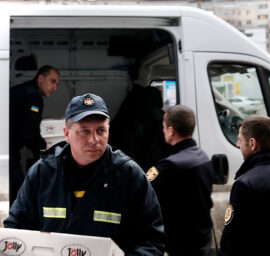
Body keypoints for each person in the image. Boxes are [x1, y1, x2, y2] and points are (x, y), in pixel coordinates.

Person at [5, 93, 165, 256]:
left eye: (100, 130)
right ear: (66, 134)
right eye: (84, 131)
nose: (94, 139)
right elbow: (16, 229)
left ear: (108, 132)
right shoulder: (43, 173)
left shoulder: (129, 175)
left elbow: (152, 239)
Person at [219, 115, 270, 256]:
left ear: (252, 143)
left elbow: (232, 241)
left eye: (239, 140)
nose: (238, 145)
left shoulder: (245, 184)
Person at [146, 105, 214, 256]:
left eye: (164, 127)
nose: (163, 130)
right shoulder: (203, 157)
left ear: (171, 131)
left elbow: (142, 189)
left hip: (182, 244)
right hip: (202, 239)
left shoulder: (170, 165)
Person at [9, 65, 60, 204]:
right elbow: (29, 132)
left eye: (57, 84)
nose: (55, 87)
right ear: (41, 78)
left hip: (9, 148)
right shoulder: (32, 96)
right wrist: (45, 148)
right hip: (6, 149)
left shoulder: (22, 91)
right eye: (53, 81)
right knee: (20, 192)